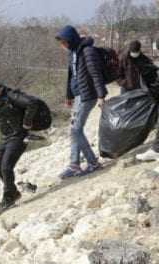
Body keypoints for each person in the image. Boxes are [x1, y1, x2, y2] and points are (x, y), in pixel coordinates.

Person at [0, 77, 39, 215]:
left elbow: (32, 103)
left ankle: (8, 197)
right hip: (6, 138)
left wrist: (27, 123)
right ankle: (14, 192)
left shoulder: (11, 95)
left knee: (6, 166)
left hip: (19, 136)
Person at [55, 25, 107, 178]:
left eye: (63, 42)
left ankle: (92, 162)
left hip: (88, 95)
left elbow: (95, 74)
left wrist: (101, 95)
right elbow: (71, 76)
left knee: (76, 130)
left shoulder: (87, 51)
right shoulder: (72, 53)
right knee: (74, 129)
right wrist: (69, 95)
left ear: (70, 40)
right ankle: (74, 165)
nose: (62, 45)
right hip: (78, 96)